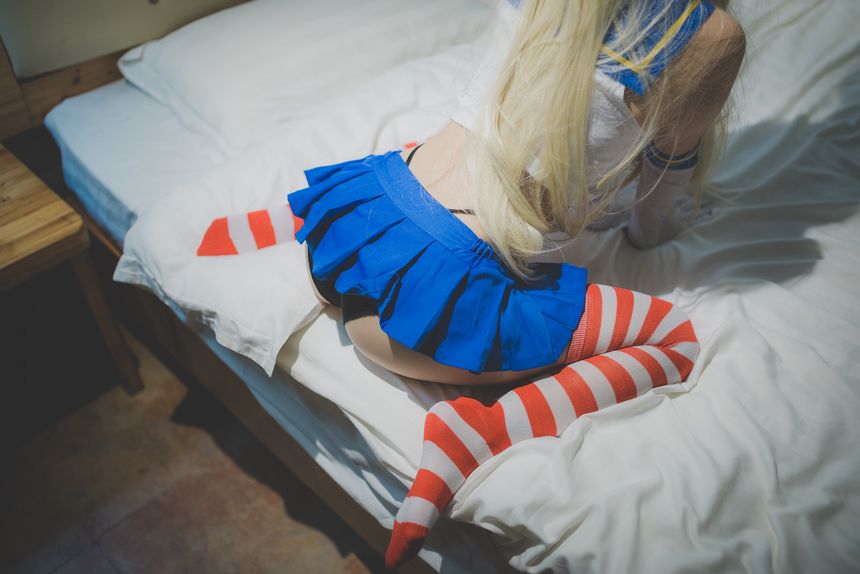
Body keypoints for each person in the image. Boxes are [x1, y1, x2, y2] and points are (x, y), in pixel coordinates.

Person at [197, 0, 745, 567]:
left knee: (462, 146)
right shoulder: (710, 36)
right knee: (673, 338)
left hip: (350, 233)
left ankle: (291, 219)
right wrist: (647, 234)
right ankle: (480, 430)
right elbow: (656, 202)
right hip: (421, 314)